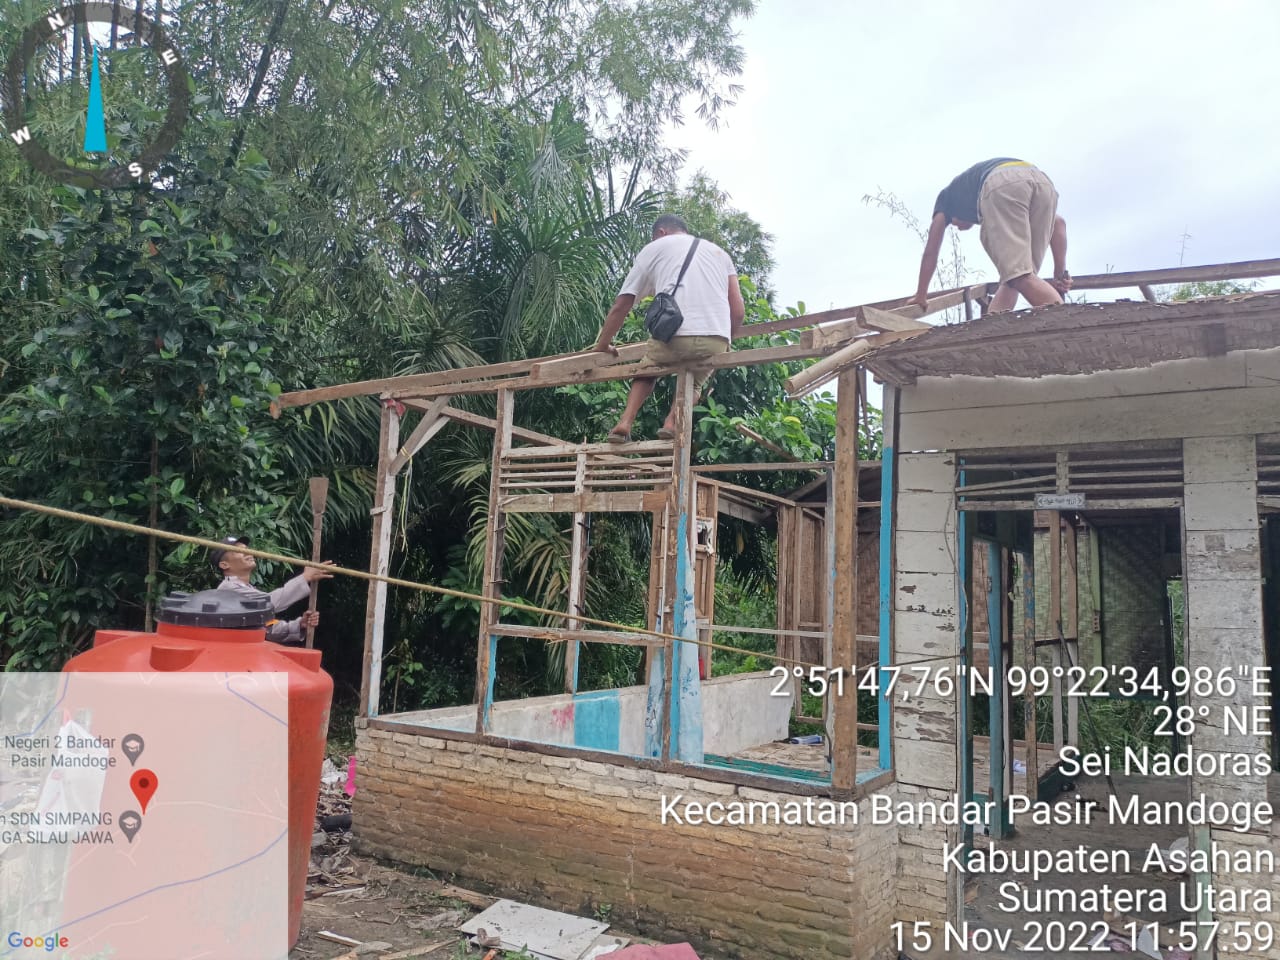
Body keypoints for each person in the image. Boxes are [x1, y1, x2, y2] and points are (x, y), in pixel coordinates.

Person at [591, 214, 745, 442]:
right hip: (716, 338)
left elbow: (622, 304)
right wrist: (725, 344)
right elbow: (738, 311)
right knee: (696, 382)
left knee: (648, 369)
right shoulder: (720, 254)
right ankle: (671, 422)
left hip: (674, 335)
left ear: (661, 233)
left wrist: (602, 345)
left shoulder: (655, 248)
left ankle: (624, 422)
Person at [910, 158, 1071, 314]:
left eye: (953, 223)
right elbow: (1058, 223)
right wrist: (1060, 275)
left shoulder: (945, 200)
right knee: (1015, 278)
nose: (957, 227)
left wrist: (921, 295)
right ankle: (990, 336)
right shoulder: (969, 193)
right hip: (1042, 183)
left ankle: (1068, 328)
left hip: (1002, 182)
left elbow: (931, 250)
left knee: (1020, 277)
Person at [210, 535, 334, 644]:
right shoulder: (228, 589)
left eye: (247, 549)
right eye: (238, 551)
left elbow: (268, 628)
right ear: (224, 564)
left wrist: (300, 624)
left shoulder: (247, 589)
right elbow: (269, 603)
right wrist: (305, 577)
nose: (248, 553)